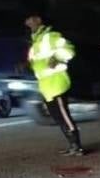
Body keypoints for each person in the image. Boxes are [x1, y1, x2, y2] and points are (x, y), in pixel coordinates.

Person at [24, 12, 83, 156]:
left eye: (31, 19)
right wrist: (25, 65)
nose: (28, 23)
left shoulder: (51, 36)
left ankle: (77, 146)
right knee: (57, 117)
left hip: (57, 83)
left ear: (38, 20)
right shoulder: (34, 42)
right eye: (26, 21)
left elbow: (69, 50)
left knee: (64, 116)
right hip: (46, 87)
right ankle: (72, 145)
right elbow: (36, 63)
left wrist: (57, 57)